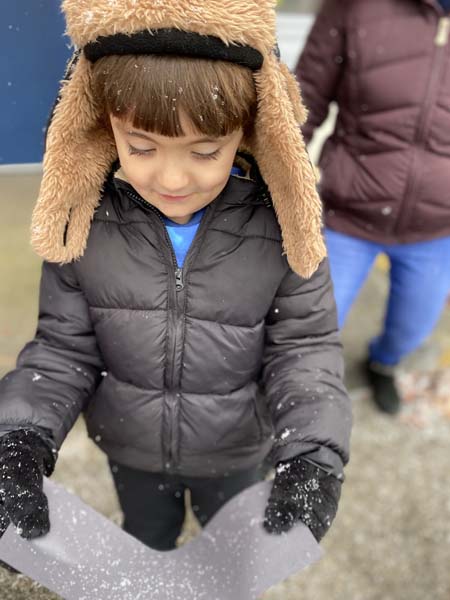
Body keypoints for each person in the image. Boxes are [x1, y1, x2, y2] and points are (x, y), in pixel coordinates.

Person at [0, 0, 351, 552]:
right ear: (100, 124)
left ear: (254, 128)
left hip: (236, 451)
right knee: (147, 538)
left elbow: (304, 350)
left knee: (229, 547)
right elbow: (62, 351)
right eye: (140, 146)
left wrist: (312, 452)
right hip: (131, 448)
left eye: (206, 150)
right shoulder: (86, 223)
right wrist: (19, 439)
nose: (170, 177)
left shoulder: (284, 230)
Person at [296, 0, 450, 415]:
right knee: (308, 334)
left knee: (409, 331)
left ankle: (382, 364)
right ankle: (284, 417)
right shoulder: (355, 7)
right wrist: (275, 177)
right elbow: (305, 94)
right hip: (347, 214)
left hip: (436, 232)